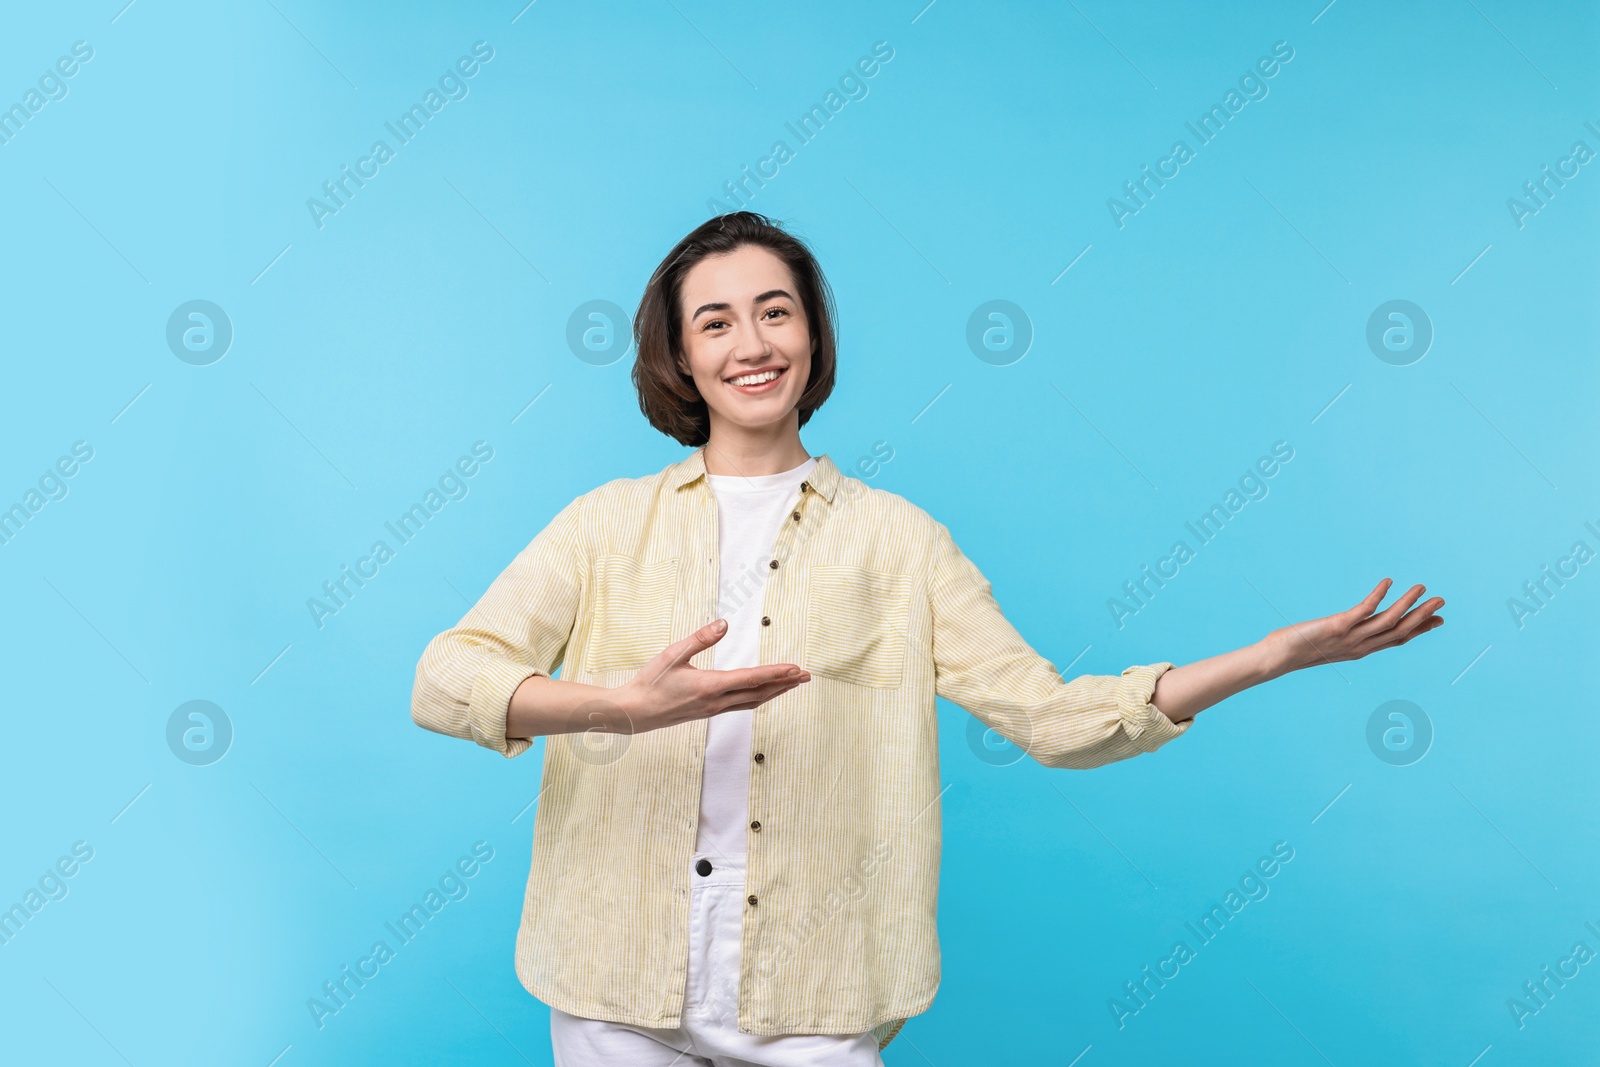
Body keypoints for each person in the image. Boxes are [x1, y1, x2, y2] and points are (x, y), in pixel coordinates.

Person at [410, 211, 1444, 1066]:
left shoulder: (898, 541)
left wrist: (1264, 658)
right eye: (715, 322)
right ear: (680, 353)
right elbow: (445, 675)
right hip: (610, 987)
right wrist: (618, 706)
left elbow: (1052, 718)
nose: (751, 343)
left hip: (820, 987)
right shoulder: (604, 524)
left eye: (776, 312)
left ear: (813, 333)